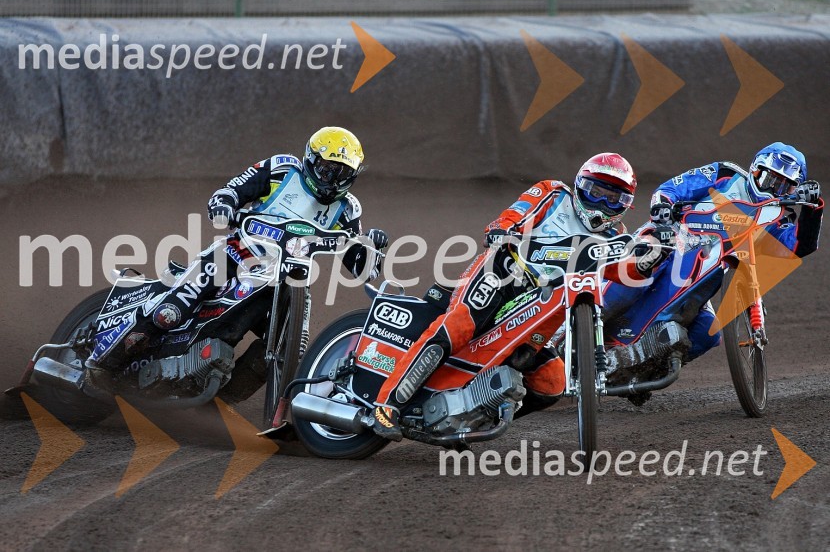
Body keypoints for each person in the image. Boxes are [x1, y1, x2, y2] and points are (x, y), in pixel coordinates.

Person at [370, 153, 664, 441]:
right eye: (596, 192)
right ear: (579, 185)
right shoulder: (553, 194)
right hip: (502, 274)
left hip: (539, 307)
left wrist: (645, 260)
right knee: (458, 327)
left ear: (625, 205)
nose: (602, 204)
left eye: (613, 199)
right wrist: (502, 230)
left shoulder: (618, 236)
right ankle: (388, 405)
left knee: (552, 381)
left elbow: (622, 272)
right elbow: (515, 213)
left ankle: (477, 418)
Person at [86, 126, 388, 371]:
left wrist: (371, 248)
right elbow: (233, 189)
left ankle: (232, 395)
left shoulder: (348, 209)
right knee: (170, 312)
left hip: (290, 280)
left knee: (290, 348)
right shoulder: (283, 168)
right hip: (235, 254)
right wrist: (224, 205)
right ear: (311, 158)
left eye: (342, 173)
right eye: (327, 168)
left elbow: (360, 267)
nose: (332, 179)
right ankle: (103, 362)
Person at [611, 142, 823, 362]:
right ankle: (594, 313)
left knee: (707, 333)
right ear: (755, 170)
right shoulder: (725, 174)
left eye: (782, 187)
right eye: (770, 180)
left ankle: (646, 368)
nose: (772, 190)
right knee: (647, 258)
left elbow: (798, 246)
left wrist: (813, 207)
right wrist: (663, 205)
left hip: (703, 277)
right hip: (672, 240)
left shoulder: (779, 218)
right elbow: (673, 188)